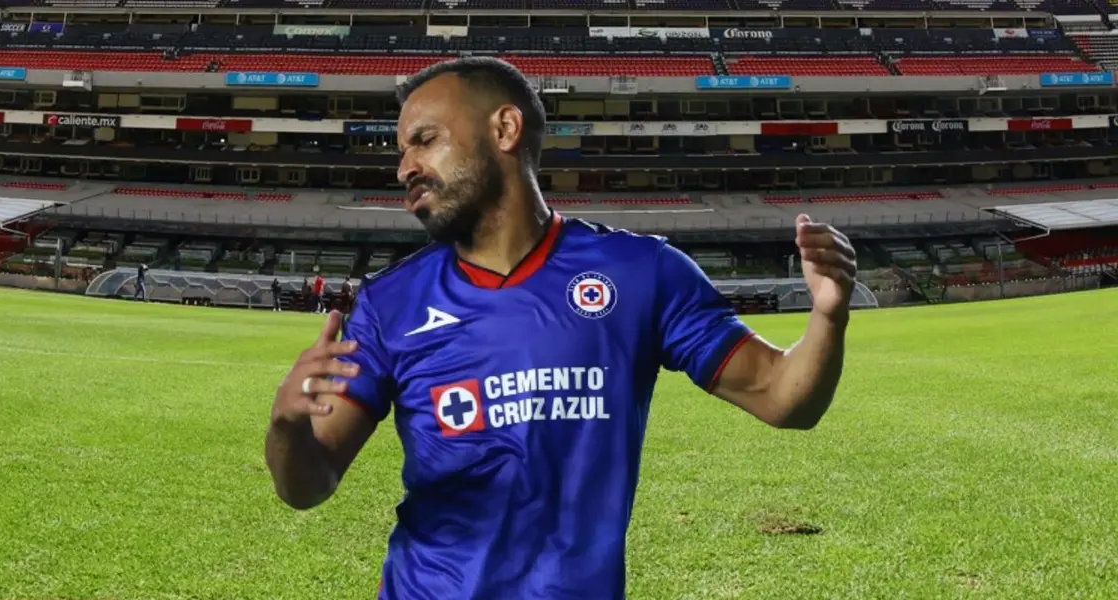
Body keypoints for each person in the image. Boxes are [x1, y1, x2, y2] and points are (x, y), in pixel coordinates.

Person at [265, 57, 857, 600]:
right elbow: (308, 485)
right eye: (402, 151)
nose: (404, 168)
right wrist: (288, 428)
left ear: (504, 130)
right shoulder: (389, 303)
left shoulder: (642, 273)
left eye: (426, 140)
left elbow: (784, 398)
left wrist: (828, 313)